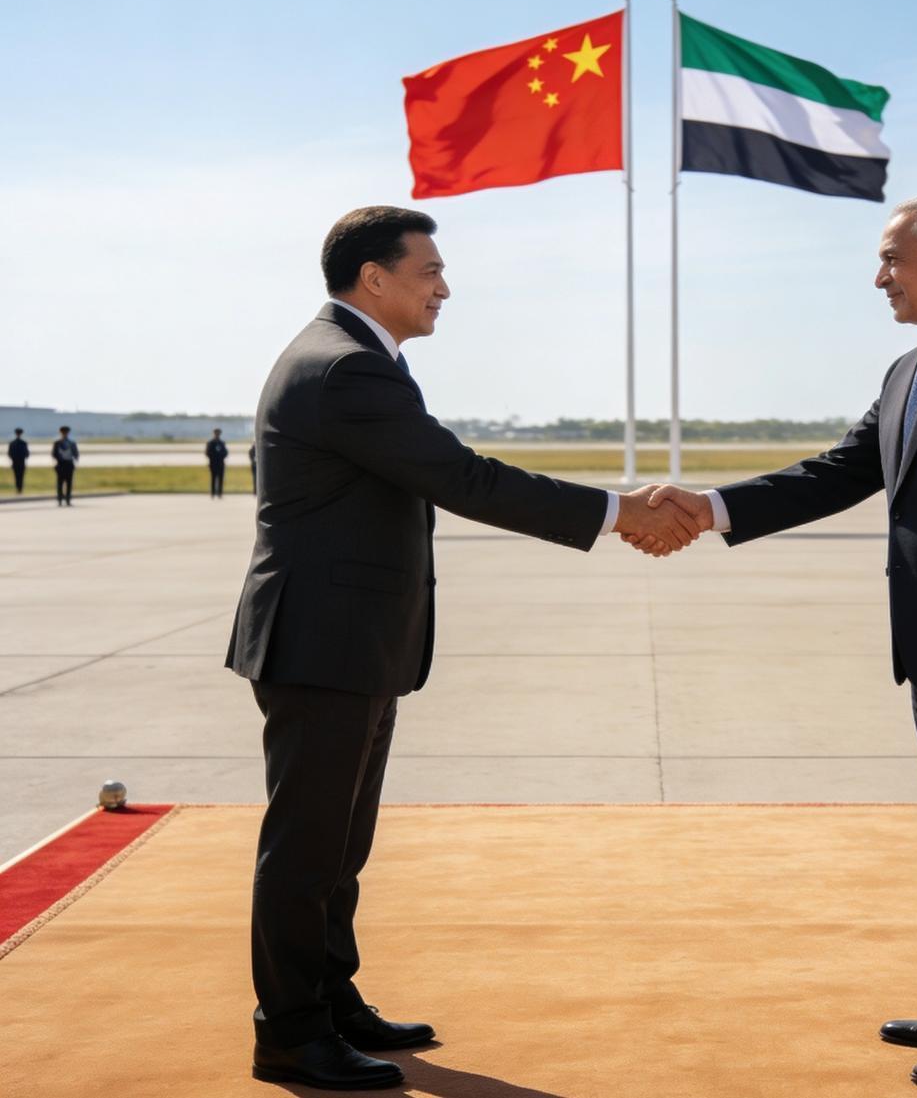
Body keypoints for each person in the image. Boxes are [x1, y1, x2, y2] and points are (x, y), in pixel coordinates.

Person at [225, 205, 698, 1091]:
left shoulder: (355, 358)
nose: (444, 287)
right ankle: (289, 1031)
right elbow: (460, 476)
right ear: (374, 278)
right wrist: (617, 510)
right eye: (430, 270)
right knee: (308, 847)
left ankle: (329, 998)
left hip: (349, 641)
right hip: (323, 642)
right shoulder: (345, 367)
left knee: (339, 845)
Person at [638, 194, 917, 1088]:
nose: (880, 276)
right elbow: (839, 472)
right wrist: (712, 507)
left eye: (893, 258)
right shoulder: (909, 369)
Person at [51, 425, 79, 506]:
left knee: (69, 483)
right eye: (63, 432)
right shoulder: (57, 443)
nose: (64, 434)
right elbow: (53, 454)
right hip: (61, 465)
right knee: (59, 483)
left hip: (69, 465)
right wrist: (59, 459)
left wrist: (74, 458)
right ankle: (60, 499)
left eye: (66, 432)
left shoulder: (72, 443)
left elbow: (76, 453)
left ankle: (68, 499)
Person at [206, 427, 228, 498]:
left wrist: (220, 456)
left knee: (221, 478)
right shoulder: (210, 443)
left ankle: (220, 493)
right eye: (216, 433)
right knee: (213, 478)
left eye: (218, 433)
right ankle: (213, 493)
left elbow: (226, 452)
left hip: (220, 463)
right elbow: (207, 453)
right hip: (213, 463)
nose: (217, 435)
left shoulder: (222, 443)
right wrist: (214, 456)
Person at [7, 428, 28, 494]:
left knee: (17, 476)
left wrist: (14, 458)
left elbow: (9, 454)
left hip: (15, 463)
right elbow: (27, 454)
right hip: (21, 463)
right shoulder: (23, 443)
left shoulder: (12, 443)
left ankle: (18, 489)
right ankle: (20, 489)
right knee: (20, 477)